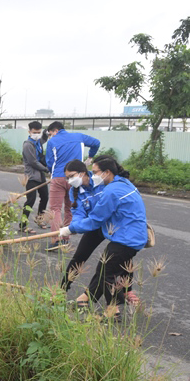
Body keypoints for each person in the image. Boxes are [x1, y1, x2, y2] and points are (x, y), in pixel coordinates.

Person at [60, 156, 147, 319]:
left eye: (72, 176)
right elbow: (79, 213)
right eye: (67, 177)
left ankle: (116, 304)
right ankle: (67, 292)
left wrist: (72, 228)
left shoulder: (108, 188)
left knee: (111, 265)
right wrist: (72, 227)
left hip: (116, 229)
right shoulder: (80, 190)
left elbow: (96, 219)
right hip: (111, 228)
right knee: (89, 259)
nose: (69, 180)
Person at [45, 121, 100, 251]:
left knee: (55, 209)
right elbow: (96, 143)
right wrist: (90, 157)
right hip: (76, 178)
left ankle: (56, 239)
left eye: (50, 133)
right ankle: (65, 238)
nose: (51, 136)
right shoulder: (79, 137)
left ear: (55, 130)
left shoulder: (52, 142)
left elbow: (49, 161)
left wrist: (52, 172)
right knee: (70, 207)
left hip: (58, 177)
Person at [19, 121, 50, 233]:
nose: (37, 134)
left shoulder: (37, 142)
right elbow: (33, 162)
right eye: (35, 132)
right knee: (30, 201)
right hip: (31, 176)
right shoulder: (28, 145)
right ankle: (23, 225)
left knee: (45, 197)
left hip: (40, 175)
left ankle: (39, 219)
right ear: (29, 132)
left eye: (39, 132)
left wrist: (46, 132)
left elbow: (44, 139)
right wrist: (47, 169)